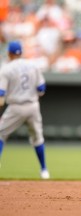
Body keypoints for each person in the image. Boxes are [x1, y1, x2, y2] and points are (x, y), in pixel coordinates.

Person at [0, 41, 50, 179]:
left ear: (9, 53)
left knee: (1, 134)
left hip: (15, 107)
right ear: (21, 52)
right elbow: (41, 88)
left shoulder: (6, 68)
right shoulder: (32, 65)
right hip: (33, 106)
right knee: (37, 138)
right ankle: (44, 170)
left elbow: (1, 92)